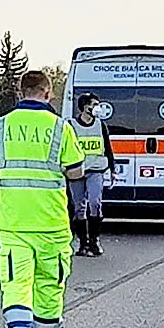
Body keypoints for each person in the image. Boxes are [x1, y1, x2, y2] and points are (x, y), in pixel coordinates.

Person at [0, 70, 86, 328]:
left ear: (19, 92)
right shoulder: (60, 128)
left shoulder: (0, 127)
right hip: (51, 223)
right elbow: (76, 172)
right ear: (48, 93)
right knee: (50, 284)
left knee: (15, 283)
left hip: (13, 222)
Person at [67, 91, 114, 257]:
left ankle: (95, 240)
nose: (97, 108)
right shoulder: (71, 125)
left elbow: (108, 147)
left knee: (95, 203)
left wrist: (112, 169)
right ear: (85, 107)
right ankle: (83, 243)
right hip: (76, 171)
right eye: (94, 105)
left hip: (96, 170)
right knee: (79, 207)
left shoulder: (100, 125)